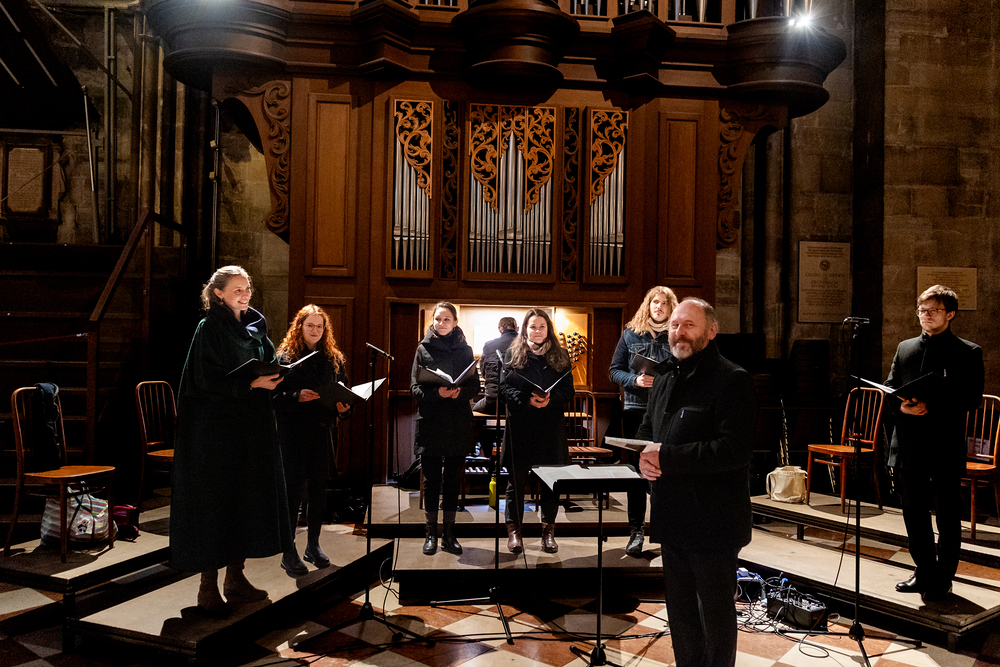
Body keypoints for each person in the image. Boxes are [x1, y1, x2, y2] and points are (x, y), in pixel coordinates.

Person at [636, 298, 757, 667]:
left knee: (715, 618)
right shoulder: (664, 378)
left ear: (711, 330)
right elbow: (646, 433)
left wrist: (666, 457)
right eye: (675, 325)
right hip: (671, 516)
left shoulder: (731, 379)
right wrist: (641, 459)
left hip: (713, 521)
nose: (679, 333)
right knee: (682, 616)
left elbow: (733, 450)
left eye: (689, 325)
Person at [171, 266, 292, 614]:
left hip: (250, 430)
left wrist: (279, 375)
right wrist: (250, 383)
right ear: (219, 294)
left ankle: (235, 578)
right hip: (216, 433)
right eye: (237, 289)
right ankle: (208, 586)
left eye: (247, 288)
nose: (244, 294)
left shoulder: (255, 329)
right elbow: (203, 380)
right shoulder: (209, 328)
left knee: (245, 501)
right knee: (217, 505)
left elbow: (268, 363)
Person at [887, 285, 984, 602]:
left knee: (947, 514)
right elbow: (890, 387)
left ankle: (943, 578)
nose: (925, 315)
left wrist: (932, 406)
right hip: (909, 444)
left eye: (933, 310)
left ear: (950, 314)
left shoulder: (968, 351)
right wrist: (902, 407)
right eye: (922, 310)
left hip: (945, 444)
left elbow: (972, 398)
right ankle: (924, 571)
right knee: (913, 513)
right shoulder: (905, 348)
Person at [273, 305, 353, 576]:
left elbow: (343, 391)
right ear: (300, 327)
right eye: (310, 325)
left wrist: (345, 407)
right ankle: (288, 551)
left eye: (320, 326)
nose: (315, 330)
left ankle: (313, 545)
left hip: (322, 431)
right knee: (294, 492)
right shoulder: (285, 357)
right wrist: (296, 396)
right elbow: (272, 397)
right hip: (294, 433)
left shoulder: (333, 359)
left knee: (319, 491)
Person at [609, 286, 677, 557]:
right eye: (654, 302)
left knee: (664, 472)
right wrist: (634, 380)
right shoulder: (631, 334)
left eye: (664, 303)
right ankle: (636, 532)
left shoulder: (676, 335)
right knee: (637, 473)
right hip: (636, 410)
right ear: (647, 306)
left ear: (671, 307)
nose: (659, 307)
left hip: (667, 411)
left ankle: (665, 531)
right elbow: (614, 371)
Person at [499, 309, 574, 554]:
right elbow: (504, 389)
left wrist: (550, 401)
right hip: (521, 426)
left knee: (551, 482)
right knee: (516, 482)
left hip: (550, 428)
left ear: (548, 329)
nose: (537, 331)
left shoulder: (561, 355)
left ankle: (548, 531)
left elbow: (568, 390)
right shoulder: (513, 353)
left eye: (542, 326)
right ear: (525, 329)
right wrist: (527, 400)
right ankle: (514, 532)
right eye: (533, 327)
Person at [411, 302, 480, 556]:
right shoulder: (423, 348)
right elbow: (414, 388)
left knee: (452, 480)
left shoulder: (466, 350)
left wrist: (460, 392)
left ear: (455, 322)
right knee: (431, 481)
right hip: (431, 420)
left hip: (457, 421)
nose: (442, 323)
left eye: (447, 319)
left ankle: (449, 534)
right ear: (433, 321)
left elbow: (475, 387)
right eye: (438, 319)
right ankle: (430, 533)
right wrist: (437, 393)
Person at [473, 317, 518, 415]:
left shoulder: (488, 345)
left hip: (492, 401)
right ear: (517, 329)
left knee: (474, 408)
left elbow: (484, 373)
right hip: (517, 403)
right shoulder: (524, 344)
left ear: (500, 329)